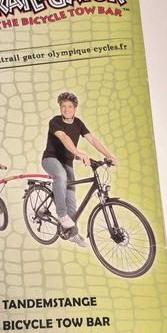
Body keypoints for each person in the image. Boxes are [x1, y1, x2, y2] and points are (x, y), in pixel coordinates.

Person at [42, 92, 118, 248]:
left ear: (75, 108)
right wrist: (78, 153)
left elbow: (92, 139)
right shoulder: (55, 121)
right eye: (63, 106)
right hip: (51, 159)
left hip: (67, 162)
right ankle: (62, 215)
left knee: (71, 199)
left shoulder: (78, 123)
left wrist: (108, 156)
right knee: (61, 176)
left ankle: (72, 234)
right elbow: (64, 137)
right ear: (60, 108)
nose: (66, 109)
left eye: (70, 106)